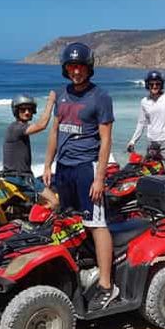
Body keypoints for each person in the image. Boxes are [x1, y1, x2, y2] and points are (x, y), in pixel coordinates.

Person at [43, 42, 117, 311]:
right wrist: (47, 164)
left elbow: (106, 140)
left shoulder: (100, 97)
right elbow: (55, 132)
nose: (76, 71)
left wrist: (100, 177)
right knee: (68, 219)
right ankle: (78, 270)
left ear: (89, 68)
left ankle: (107, 285)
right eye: (72, 67)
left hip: (87, 168)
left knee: (96, 224)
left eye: (81, 67)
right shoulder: (62, 95)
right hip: (64, 168)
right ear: (66, 68)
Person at [3, 92, 58, 206]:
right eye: (23, 110)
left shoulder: (16, 128)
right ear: (16, 111)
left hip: (15, 177)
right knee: (54, 202)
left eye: (30, 109)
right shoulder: (16, 128)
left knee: (37, 202)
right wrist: (50, 102)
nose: (27, 112)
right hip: (21, 178)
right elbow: (41, 125)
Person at [126, 70, 165, 177]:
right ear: (147, 85)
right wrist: (133, 141)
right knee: (151, 169)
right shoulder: (144, 101)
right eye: (152, 84)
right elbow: (141, 123)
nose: (155, 86)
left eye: (157, 84)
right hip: (152, 141)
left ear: (161, 84)